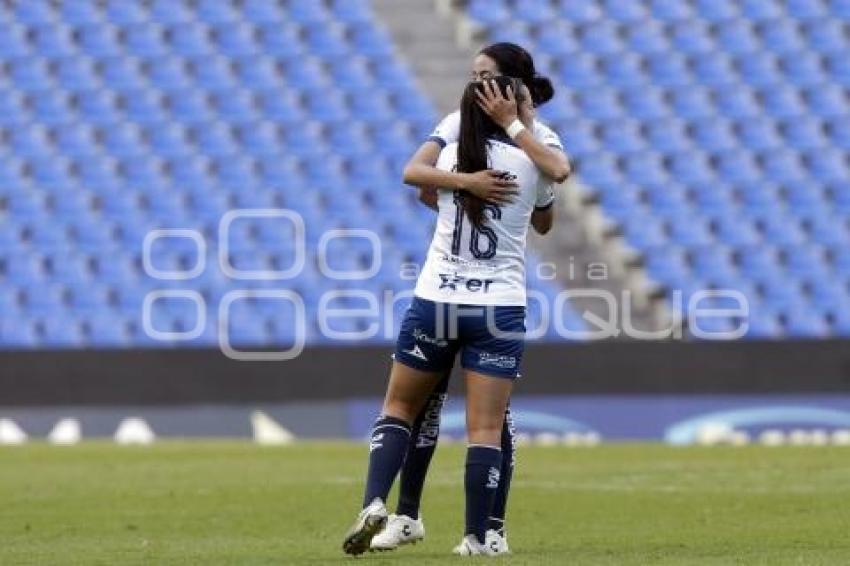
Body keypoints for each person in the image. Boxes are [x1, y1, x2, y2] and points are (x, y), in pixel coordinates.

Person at [342, 76, 557, 557]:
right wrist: (519, 128)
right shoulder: (530, 163)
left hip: (437, 300)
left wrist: (460, 188)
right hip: (499, 307)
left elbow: (420, 187)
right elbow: (555, 181)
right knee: (485, 428)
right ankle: (478, 538)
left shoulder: (444, 160)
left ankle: (376, 501)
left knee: (399, 408)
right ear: (510, 109)